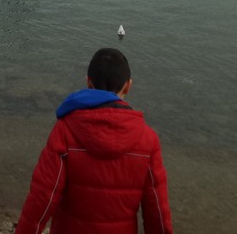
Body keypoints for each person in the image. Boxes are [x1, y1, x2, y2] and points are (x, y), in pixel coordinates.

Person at [15, 48, 173, 234]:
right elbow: (157, 211)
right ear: (128, 86)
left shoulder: (65, 130)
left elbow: (42, 197)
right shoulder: (148, 140)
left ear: (89, 82)